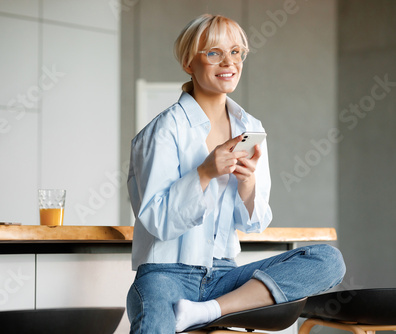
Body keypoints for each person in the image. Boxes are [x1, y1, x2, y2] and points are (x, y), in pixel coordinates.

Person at [126, 14, 345, 333]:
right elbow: (158, 222)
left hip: (226, 278)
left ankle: (206, 311)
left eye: (236, 52)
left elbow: (254, 223)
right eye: (214, 52)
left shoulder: (250, 128)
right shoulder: (162, 132)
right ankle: (204, 310)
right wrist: (204, 172)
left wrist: (247, 183)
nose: (229, 62)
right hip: (165, 276)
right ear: (189, 62)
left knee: (328, 260)